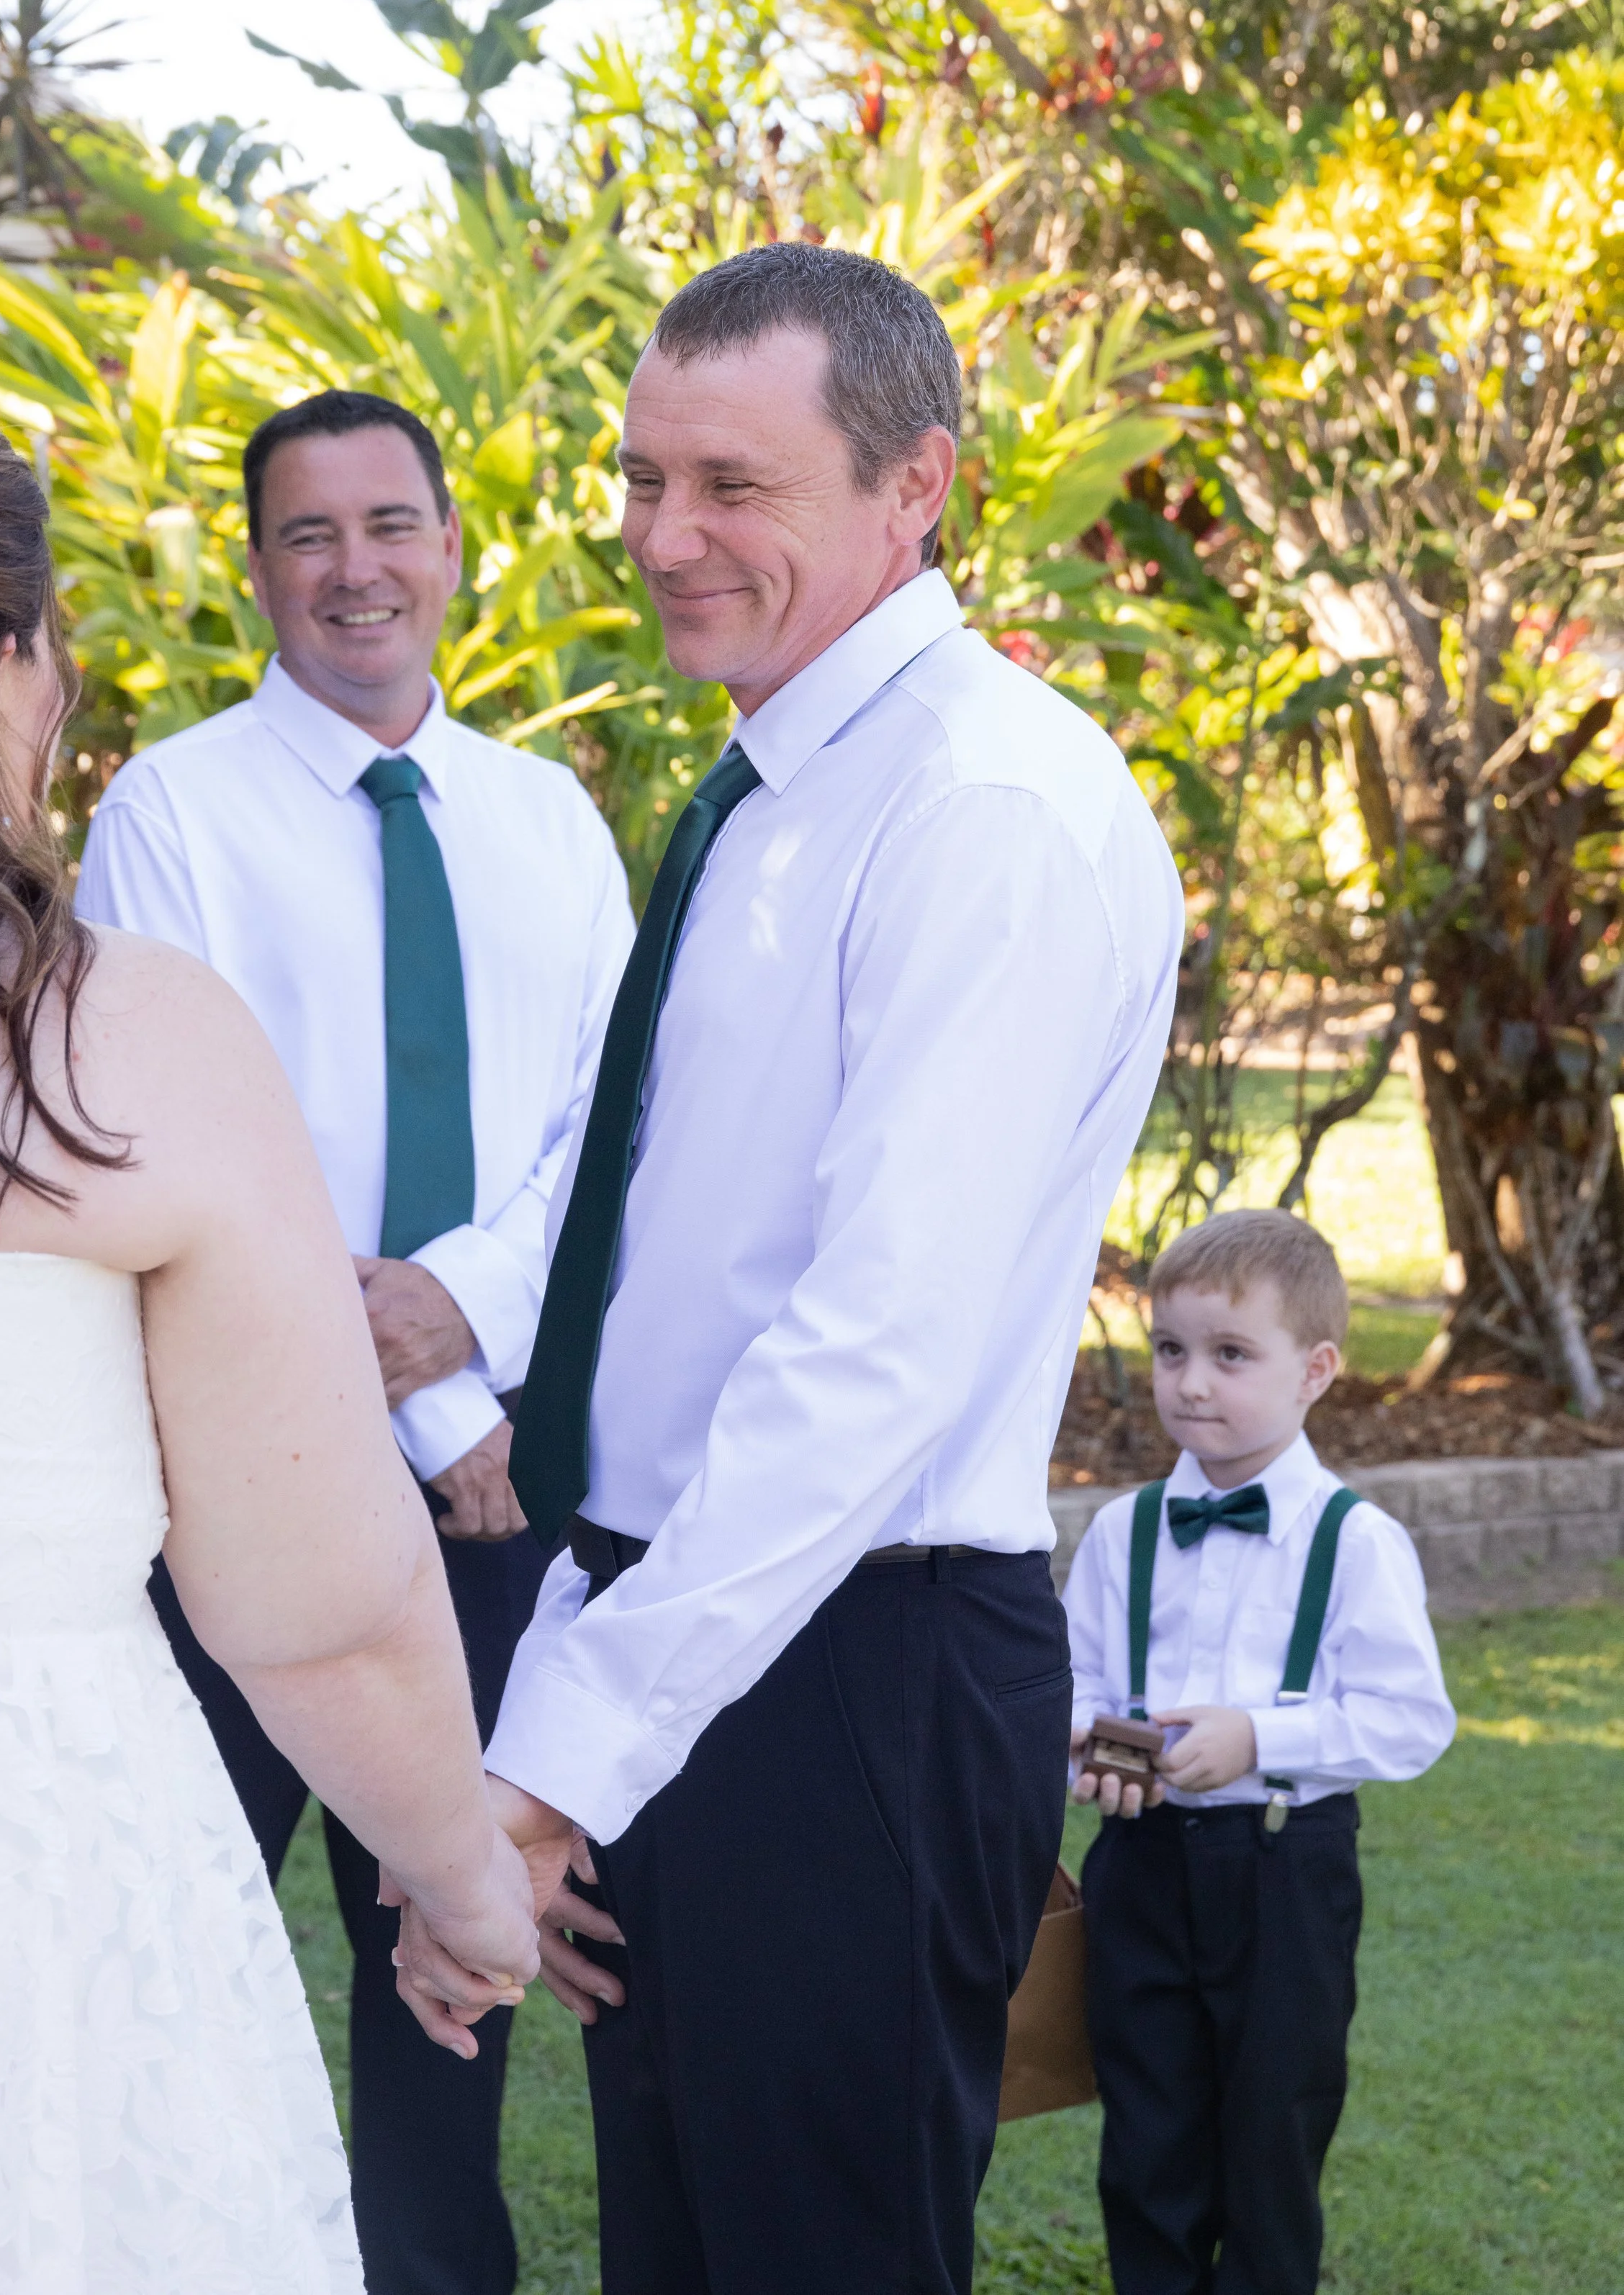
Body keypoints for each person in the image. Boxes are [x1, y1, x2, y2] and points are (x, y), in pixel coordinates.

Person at [444, 244, 1184, 2295]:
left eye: (732, 486)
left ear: (914, 483)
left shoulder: (984, 807)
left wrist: (569, 1752)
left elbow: (870, 1356)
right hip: (700, 1634)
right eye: (639, 474)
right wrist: (589, 1690)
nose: (662, 536)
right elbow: (668, 1253)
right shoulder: (778, 787)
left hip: (847, 1664)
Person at [0, 369, 538, 2291]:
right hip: (43, 1916)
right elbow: (318, 1596)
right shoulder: (126, 1040)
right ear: (1, 662)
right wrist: (462, 1871)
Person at [76, 387, 633, 2295]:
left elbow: (613, 1133)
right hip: (232, 1492)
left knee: (445, 1996)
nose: (353, 570)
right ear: (257, 571)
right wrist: (428, 1392)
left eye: (387, 524)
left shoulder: (551, 825)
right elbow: (156, 1140)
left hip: (499, 1514)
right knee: (185, 1953)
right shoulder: (169, 814)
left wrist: (468, 1333)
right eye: (307, 535)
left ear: (451, 548)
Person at [1063, 1207, 1456, 2295]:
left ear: (1315, 1370)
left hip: (1287, 1872)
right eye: (1172, 1351)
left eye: (1231, 1355)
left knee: (1272, 2133)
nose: (1192, 1382)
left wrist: (1257, 1739)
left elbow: (1408, 1718)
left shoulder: (1356, 1542)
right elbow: (1078, 1685)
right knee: (1148, 2135)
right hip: (1140, 1870)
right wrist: (1086, 1748)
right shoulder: (1120, 1533)